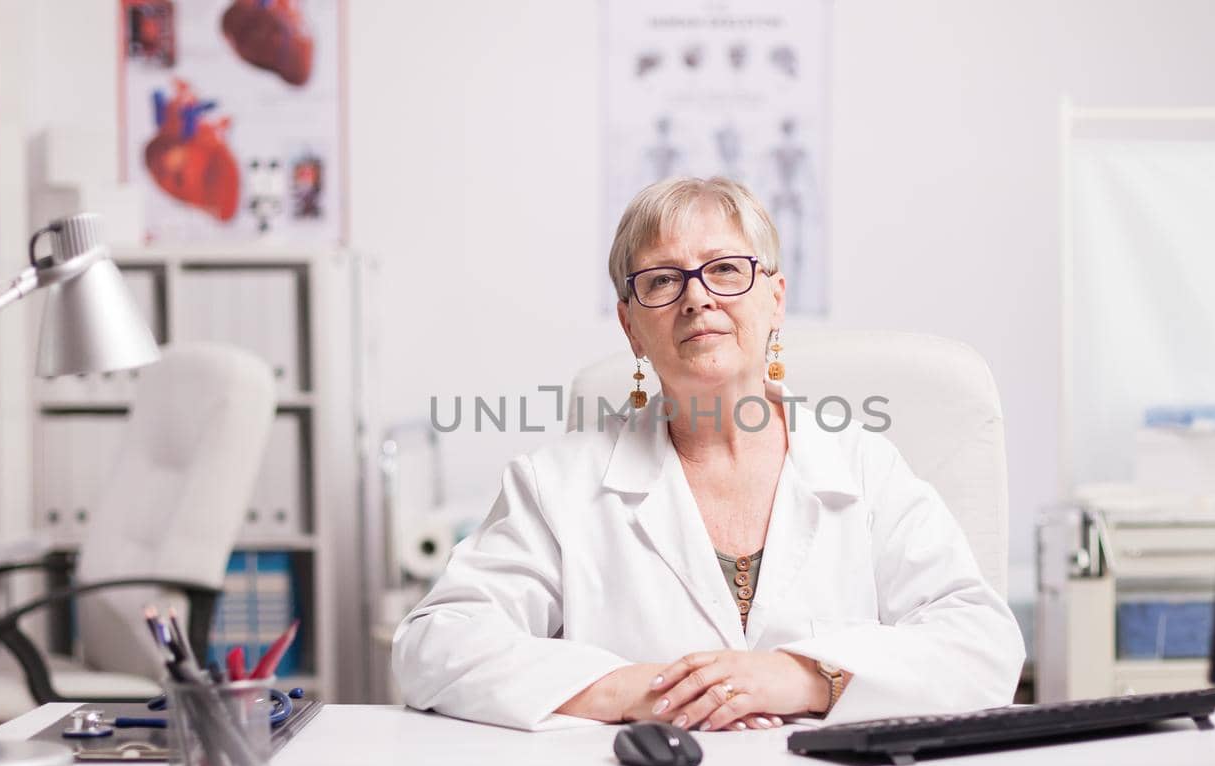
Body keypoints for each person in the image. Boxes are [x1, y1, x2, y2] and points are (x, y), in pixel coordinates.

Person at [392, 176, 1024, 731]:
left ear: (774, 298)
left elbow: (983, 646)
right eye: (663, 280)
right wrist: (633, 690)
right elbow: (433, 644)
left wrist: (800, 677)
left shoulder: (864, 469)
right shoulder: (556, 485)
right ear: (631, 325)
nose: (697, 297)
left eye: (725, 269)